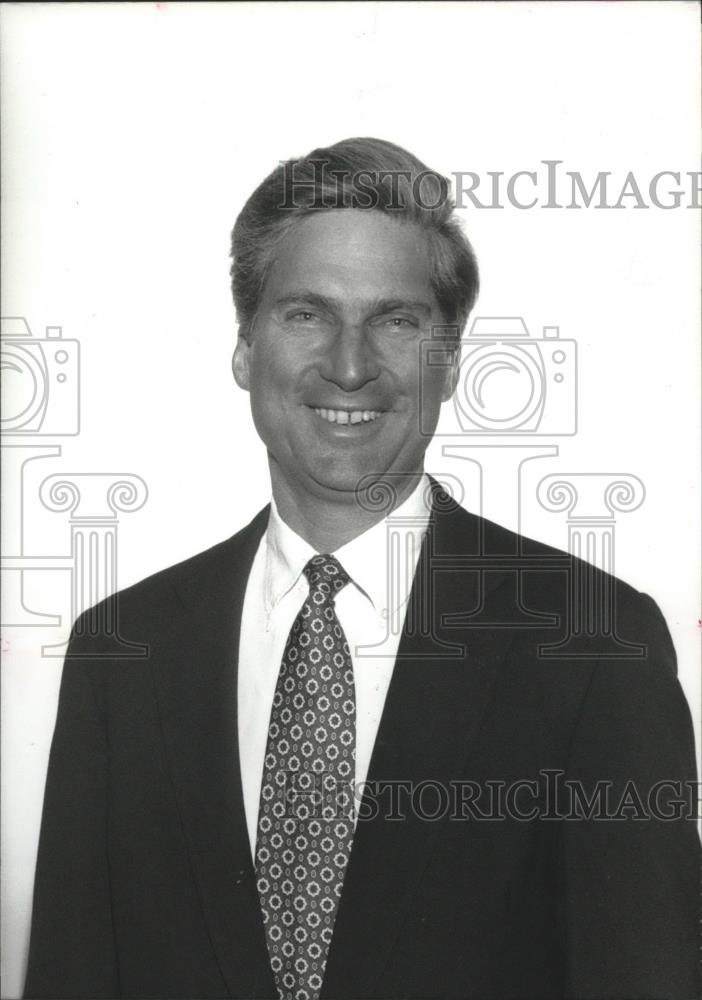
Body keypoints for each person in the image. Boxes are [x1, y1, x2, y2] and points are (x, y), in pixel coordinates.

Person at [24, 138, 700, 1000]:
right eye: (306, 313)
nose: (349, 364)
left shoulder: (596, 649)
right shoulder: (122, 653)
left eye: (397, 318)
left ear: (450, 360)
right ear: (243, 348)